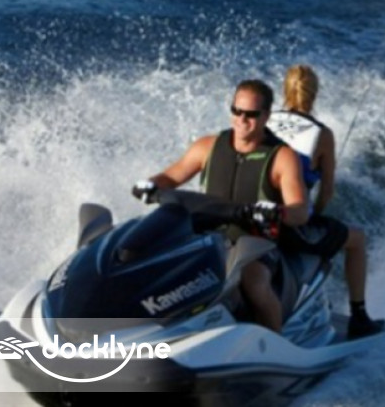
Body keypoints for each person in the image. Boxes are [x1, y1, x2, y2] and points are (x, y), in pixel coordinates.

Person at [132, 79, 309, 334]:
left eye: (251, 114)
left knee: (254, 281)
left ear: (266, 116)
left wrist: (276, 212)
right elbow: (170, 177)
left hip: (255, 242)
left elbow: (300, 211)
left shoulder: (282, 156)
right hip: (207, 237)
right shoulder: (207, 146)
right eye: (237, 110)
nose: (241, 119)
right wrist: (149, 185)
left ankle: (276, 341)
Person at [267, 64, 385, 339]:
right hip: (292, 224)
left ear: (284, 90)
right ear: (315, 94)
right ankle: (359, 317)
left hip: (258, 214)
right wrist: (316, 214)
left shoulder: (264, 120)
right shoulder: (321, 134)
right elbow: (327, 190)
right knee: (357, 240)